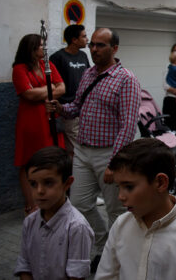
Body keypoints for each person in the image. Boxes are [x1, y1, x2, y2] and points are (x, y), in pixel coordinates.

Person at [46, 27, 142, 272]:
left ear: (114, 48)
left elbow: (128, 126)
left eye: (101, 45)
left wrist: (115, 163)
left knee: (116, 210)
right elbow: (76, 107)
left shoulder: (126, 79)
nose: (94, 49)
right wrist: (60, 108)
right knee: (79, 204)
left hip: (109, 154)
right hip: (82, 151)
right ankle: (104, 244)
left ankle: (118, 259)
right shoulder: (88, 74)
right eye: (92, 45)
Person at [95, 138, 176, 280]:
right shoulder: (121, 224)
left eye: (129, 187)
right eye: (119, 187)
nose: (120, 196)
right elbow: (106, 275)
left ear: (160, 182)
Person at [15, 146, 94, 280]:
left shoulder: (76, 227)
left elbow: (76, 275)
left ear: (67, 183)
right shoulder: (30, 221)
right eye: (33, 184)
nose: (39, 191)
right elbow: (25, 265)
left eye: (48, 183)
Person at [13, 34, 65, 215]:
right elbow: (28, 94)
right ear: (31, 48)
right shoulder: (19, 69)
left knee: (53, 159)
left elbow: (62, 88)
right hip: (31, 122)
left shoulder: (47, 65)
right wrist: (50, 89)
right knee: (29, 161)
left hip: (50, 118)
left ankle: (52, 200)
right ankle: (31, 205)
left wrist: (41, 91)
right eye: (41, 46)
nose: (44, 49)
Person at [50, 24, 90, 155]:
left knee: (80, 147)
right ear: (74, 40)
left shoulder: (83, 55)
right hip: (67, 111)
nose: (87, 39)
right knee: (76, 150)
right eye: (84, 36)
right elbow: (52, 84)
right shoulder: (58, 58)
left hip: (83, 109)